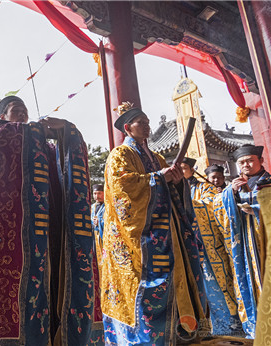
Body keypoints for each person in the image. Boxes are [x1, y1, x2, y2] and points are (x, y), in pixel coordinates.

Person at [0, 96, 100, 345]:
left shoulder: (50, 149)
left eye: (25, 110)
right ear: (2, 116)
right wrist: (37, 130)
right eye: (16, 110)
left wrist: (66, 131)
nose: (23, 114)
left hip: (53, 229)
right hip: (18, 234)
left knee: (58, 277)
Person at [101, 103, 209, 345]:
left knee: (179, 275)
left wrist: (177, 182)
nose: (147, 125)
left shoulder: (157, 157)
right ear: (128, 128)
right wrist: (159, 177)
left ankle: (183, 330)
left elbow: (169, 186)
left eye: (148, 121)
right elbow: (123, 188)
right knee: (147, 284)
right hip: (140, 237)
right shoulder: (120, 155)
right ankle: (147, 337)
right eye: (142, 122)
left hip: (169, 231)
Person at [213, 144, 271, 338]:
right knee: (249, 280)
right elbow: (218, 208)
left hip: (265, 241)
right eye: (241, 162)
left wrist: (256, 210)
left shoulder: (268, 182)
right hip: (246, 244)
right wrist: (233, 194)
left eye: (250, 160)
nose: (245, 165)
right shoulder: (235, 185)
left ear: (260, 161)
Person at [181, 157, 243, 336]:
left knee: (218, 281)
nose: (180, 171)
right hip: (188, 245)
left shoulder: (204, 187)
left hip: (208, 245)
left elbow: (213, 203)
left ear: (192, 170)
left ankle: (229, 323)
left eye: (184, 168)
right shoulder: (177, 189)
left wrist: (188, 205)